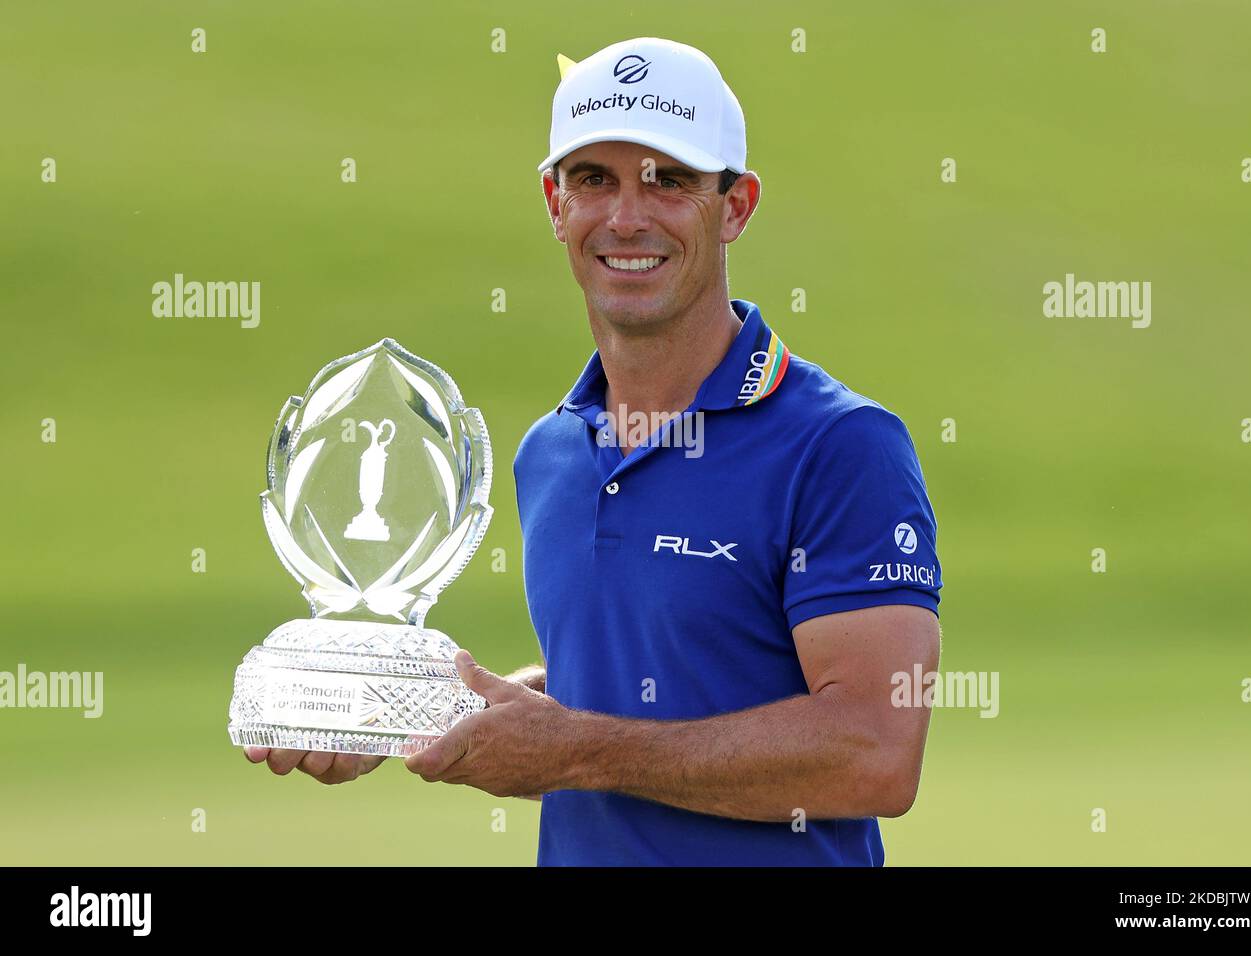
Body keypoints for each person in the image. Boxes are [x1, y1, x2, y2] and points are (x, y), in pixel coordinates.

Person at [247, 36, 943, 867]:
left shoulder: (841, 445)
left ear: (737, 206)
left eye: (669, 181)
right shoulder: (552, 453)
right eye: (593, 180)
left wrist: (574, 749)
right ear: (554, 203)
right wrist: (410, 711)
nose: (625, 217)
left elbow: (874, 752)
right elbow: (627, 692)